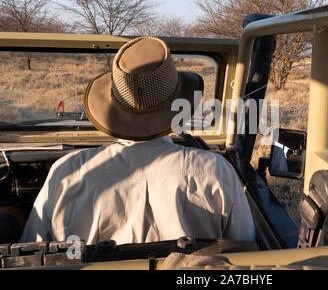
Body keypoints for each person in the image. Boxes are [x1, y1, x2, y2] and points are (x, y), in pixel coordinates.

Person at [19, 37, 255, 245]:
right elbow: (244, 248)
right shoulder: (215, 171)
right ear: (178, 106)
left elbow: (32, 248)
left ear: (112, 106)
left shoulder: (66, 171)